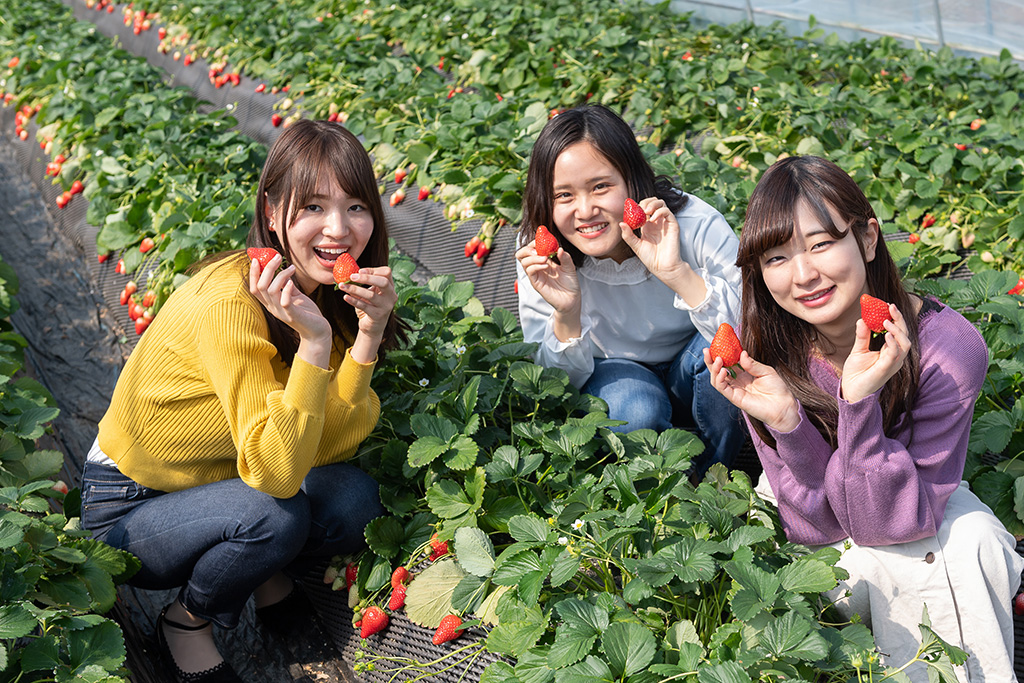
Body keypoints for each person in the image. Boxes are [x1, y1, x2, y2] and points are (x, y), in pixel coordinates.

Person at [79, 119, 402, 683]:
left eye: (355, 207)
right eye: (313, 208)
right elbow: (278, 473)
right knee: (275, 513)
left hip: (231, 474)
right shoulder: (228, 301)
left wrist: (368, 338)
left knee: (354, 501)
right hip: (131, 506)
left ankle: (254, 571)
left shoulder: (334, 296)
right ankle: (188, 620)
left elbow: (329, 442)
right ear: (274, 211)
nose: (338, 228)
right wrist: (316, 345)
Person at [705, 154, 1023, 682]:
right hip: (814, 521)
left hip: (916, 495)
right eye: (777, 258)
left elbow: (897, 521)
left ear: (869, 238)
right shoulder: (766, 351)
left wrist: (857, 404)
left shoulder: (947, 349)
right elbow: (817, 527)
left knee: (968, 545)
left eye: (821, 244)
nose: (803, 275)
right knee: (945, 555)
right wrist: (789, 425)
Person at [515, 104, 746, 477]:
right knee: (635, 410)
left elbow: (751, 334)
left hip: (692, 364)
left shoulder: (693, 225)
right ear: (546, 199)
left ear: (632, 180)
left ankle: (717, 477)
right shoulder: (540, 256)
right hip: (613, 369)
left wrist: (675, 272)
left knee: (719, 351)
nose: (585, 210)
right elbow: (555, 385)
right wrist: (567, 312)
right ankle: (662, 489)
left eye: (600, 186)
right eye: (564, 196)